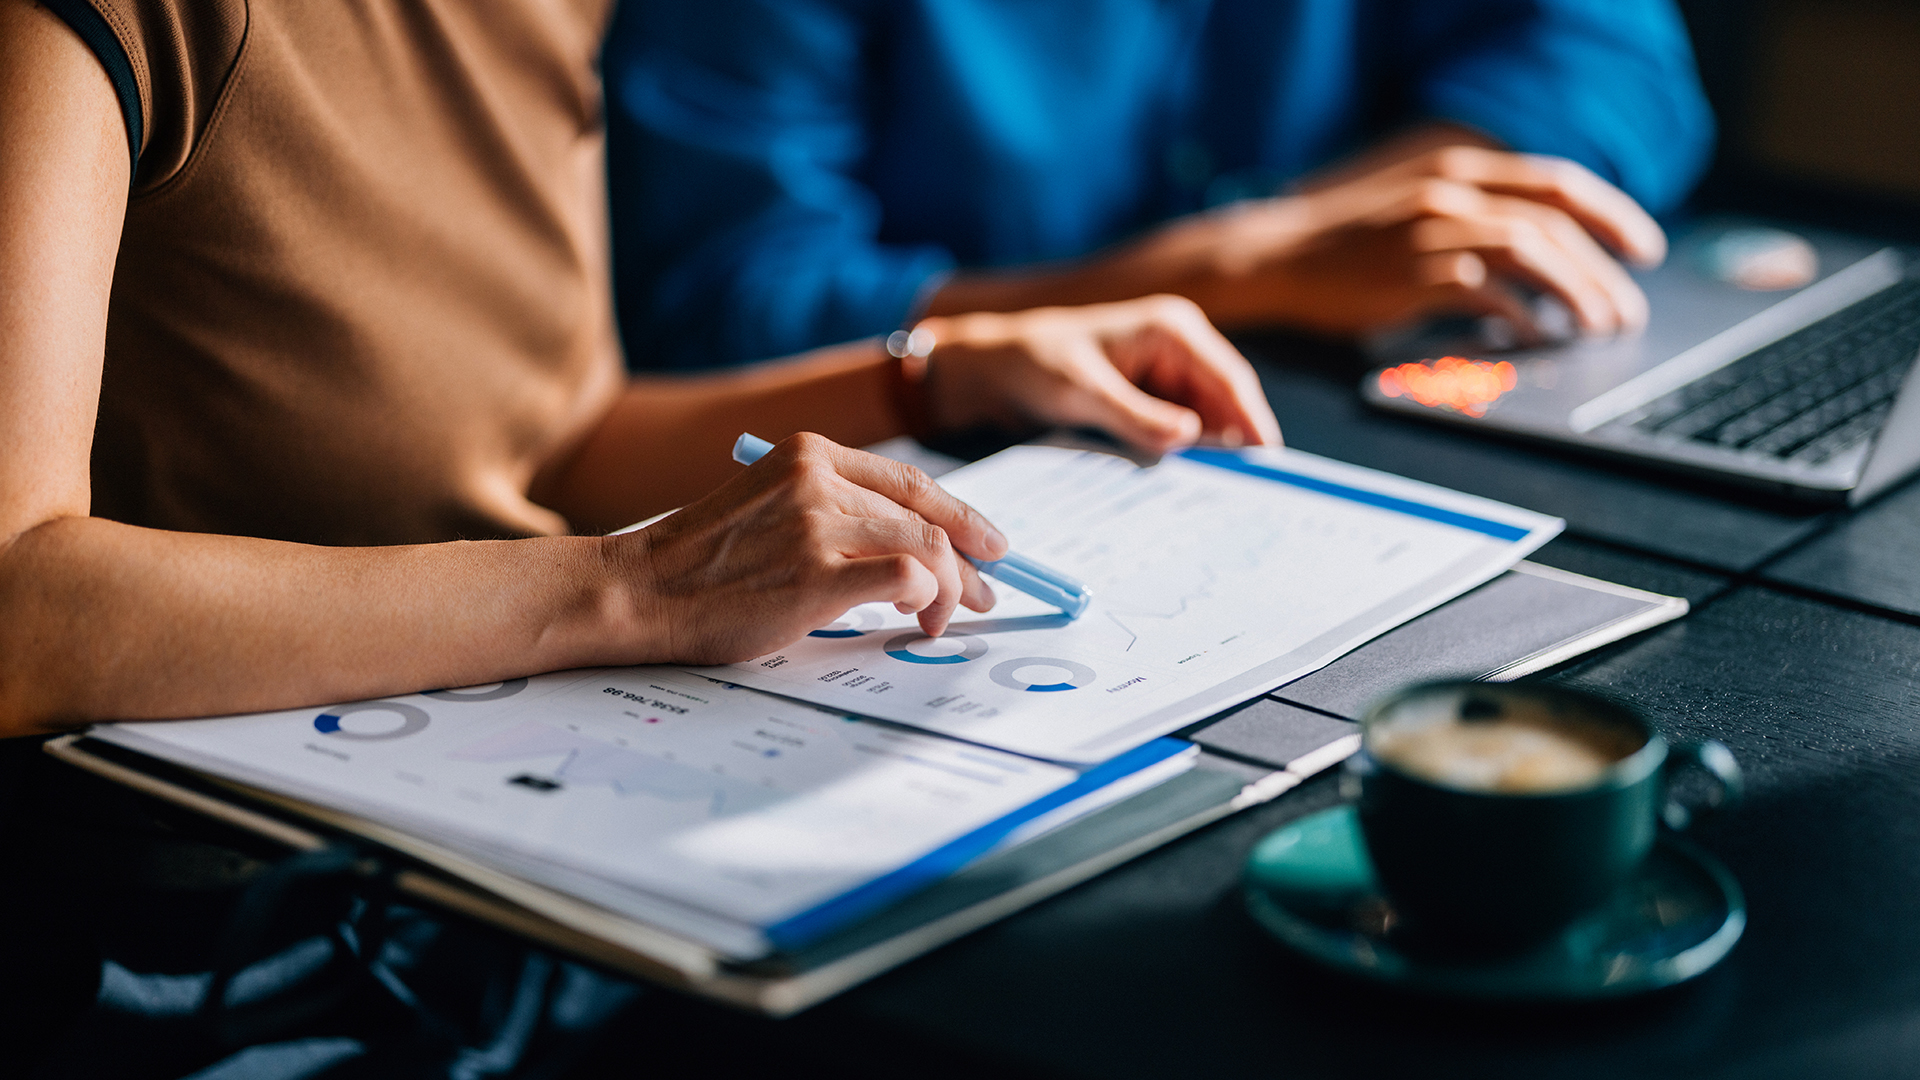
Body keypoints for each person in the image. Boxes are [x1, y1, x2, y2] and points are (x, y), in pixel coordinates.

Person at [0, 0, 1277, 1072]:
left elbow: (555, 433)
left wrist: (934, 378)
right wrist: (629, 585)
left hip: (489, 891)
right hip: (191, 943)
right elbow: (19, 604)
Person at [604, 0, 1716, 370]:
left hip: (1345, 392)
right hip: (956, 461)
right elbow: (728, 304)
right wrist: (1237, 271)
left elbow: (1616, 66)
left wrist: (1301, 237)